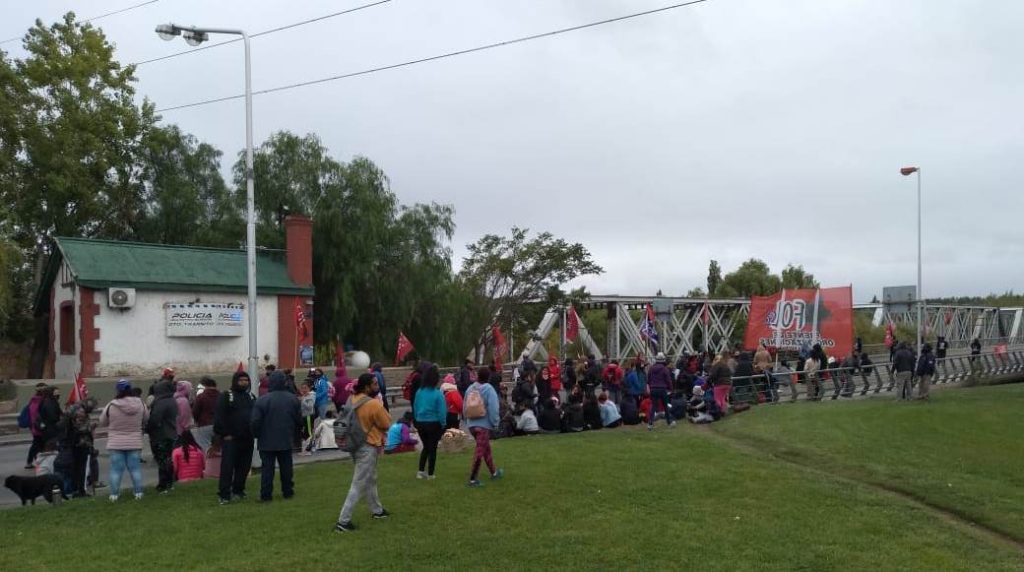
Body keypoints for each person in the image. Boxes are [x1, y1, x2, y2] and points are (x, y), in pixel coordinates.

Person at [336, 373, 393, 533]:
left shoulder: (352, 399)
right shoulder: (373, 404)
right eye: (374, 384)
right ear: (367, 386)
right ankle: (343, 521)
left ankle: (377, 510)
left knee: (370, 478)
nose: (377, 386)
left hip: (354, 444)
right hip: (368, 446)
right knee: (359, 483)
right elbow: (387, 422)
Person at [252, 370, 302, 502]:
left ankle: (266, 495)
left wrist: (257, 435)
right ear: (284, 382)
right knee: (286, 468)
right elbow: (299, 420)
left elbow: (255, 421)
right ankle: (288, 492)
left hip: (266, 440)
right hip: (286, 438)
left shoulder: (262, 400)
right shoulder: (293, 399)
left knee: (267, 469)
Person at [99, 380, 148, 502]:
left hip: (116, 442)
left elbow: (103, 421)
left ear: (118, 390)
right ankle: (138, 493)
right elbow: (146, 418)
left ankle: (114, 495)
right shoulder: (140, 403)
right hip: (134, 441)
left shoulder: (112, 405)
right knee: (135, 469)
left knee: (116, 470)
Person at [213, 370, 255, 505]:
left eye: (246, 380)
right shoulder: (226, 396)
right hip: (231, 439)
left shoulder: (251, 397)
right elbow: (219, 417)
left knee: (244, 467)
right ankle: (224, 494)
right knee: (228, 467)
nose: (244, 383)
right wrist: (225, 434)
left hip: (247, 438)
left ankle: (239, 490)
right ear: (235, 381)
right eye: (241, 380)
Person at [464, 369, 504, 487]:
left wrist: (467, 421)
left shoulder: (470, 389)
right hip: (483, 425)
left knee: (486, 449)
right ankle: (472, 479)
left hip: (472, 424)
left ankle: (494, 472)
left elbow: (464, 405)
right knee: (480, 452)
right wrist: (495, 423)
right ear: (488, 378)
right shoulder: (489, 389)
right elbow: (493, 408)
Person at [413, 365, 447, 479]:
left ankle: (420, 471)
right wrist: (443, 424)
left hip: (421, 423)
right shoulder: (438, 394)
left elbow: (416, 407)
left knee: (426, 447)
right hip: (434, 423)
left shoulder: (419, 392)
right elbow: (442, 411)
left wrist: (417, 420)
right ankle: (431, 474)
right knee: (432, 448)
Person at [146, 380, 178, 494]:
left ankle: (163, 484)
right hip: (171, 433)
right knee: (168, 459)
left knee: (162, 460)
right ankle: (169, 483)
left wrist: (147, 428)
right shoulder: (172, 400)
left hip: (161, 434)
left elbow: (155, 419)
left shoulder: (161, 402)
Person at [647, 353, 675, 429]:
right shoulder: (664, 369)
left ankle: (650, 423)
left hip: (653, 388)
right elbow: (668, 380)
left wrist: (651, 386)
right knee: (665, 406)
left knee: (653, 406)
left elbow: (648, 379)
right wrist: (671, 389)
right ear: (663, 360)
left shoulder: (651, 368)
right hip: (662, 389)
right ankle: (669, 422)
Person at [23, 383, 47, 469]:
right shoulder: (41, 401)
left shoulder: (33, 400)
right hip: (39, 426)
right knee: (38, 445)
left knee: (36, 444)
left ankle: (32, 461)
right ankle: (34, 462)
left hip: (34, 426)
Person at [192, 377, 219, 452]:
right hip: (219, 426)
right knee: (218, 449)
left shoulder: (201, 397)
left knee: (206, 448)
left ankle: (207, 463)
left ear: (205, 385)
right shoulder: (222, 396)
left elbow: (195, 412)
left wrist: (197, 421)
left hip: (204, 425)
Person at [298, 380, 317, 453]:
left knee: (309, 432)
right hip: (303, 416)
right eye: (302, 388)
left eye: (305, 388)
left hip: (308, 416)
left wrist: (303, 400)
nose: (304, 390)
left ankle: (310, 447)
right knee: (304, 432)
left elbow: (310, 407)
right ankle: (307, 447)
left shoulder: (311, 396)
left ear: (309, 389)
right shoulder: (303, 396)